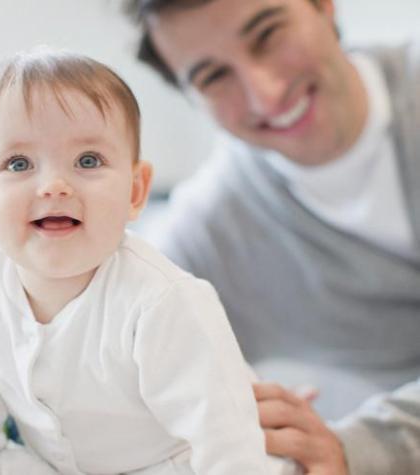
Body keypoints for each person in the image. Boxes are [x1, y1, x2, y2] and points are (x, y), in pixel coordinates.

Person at [0, 49, 298, 475]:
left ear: (135, 191)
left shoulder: (162, 300)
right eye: (18, 163)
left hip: (180, 461)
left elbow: (225, 439)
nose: (54, 185)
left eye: (88, 161)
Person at [127, 0, 420, 474]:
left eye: (268, 35)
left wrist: (361, 448)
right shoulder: (215, 229)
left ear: (324, 7)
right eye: (214, 77)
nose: (267, 95)